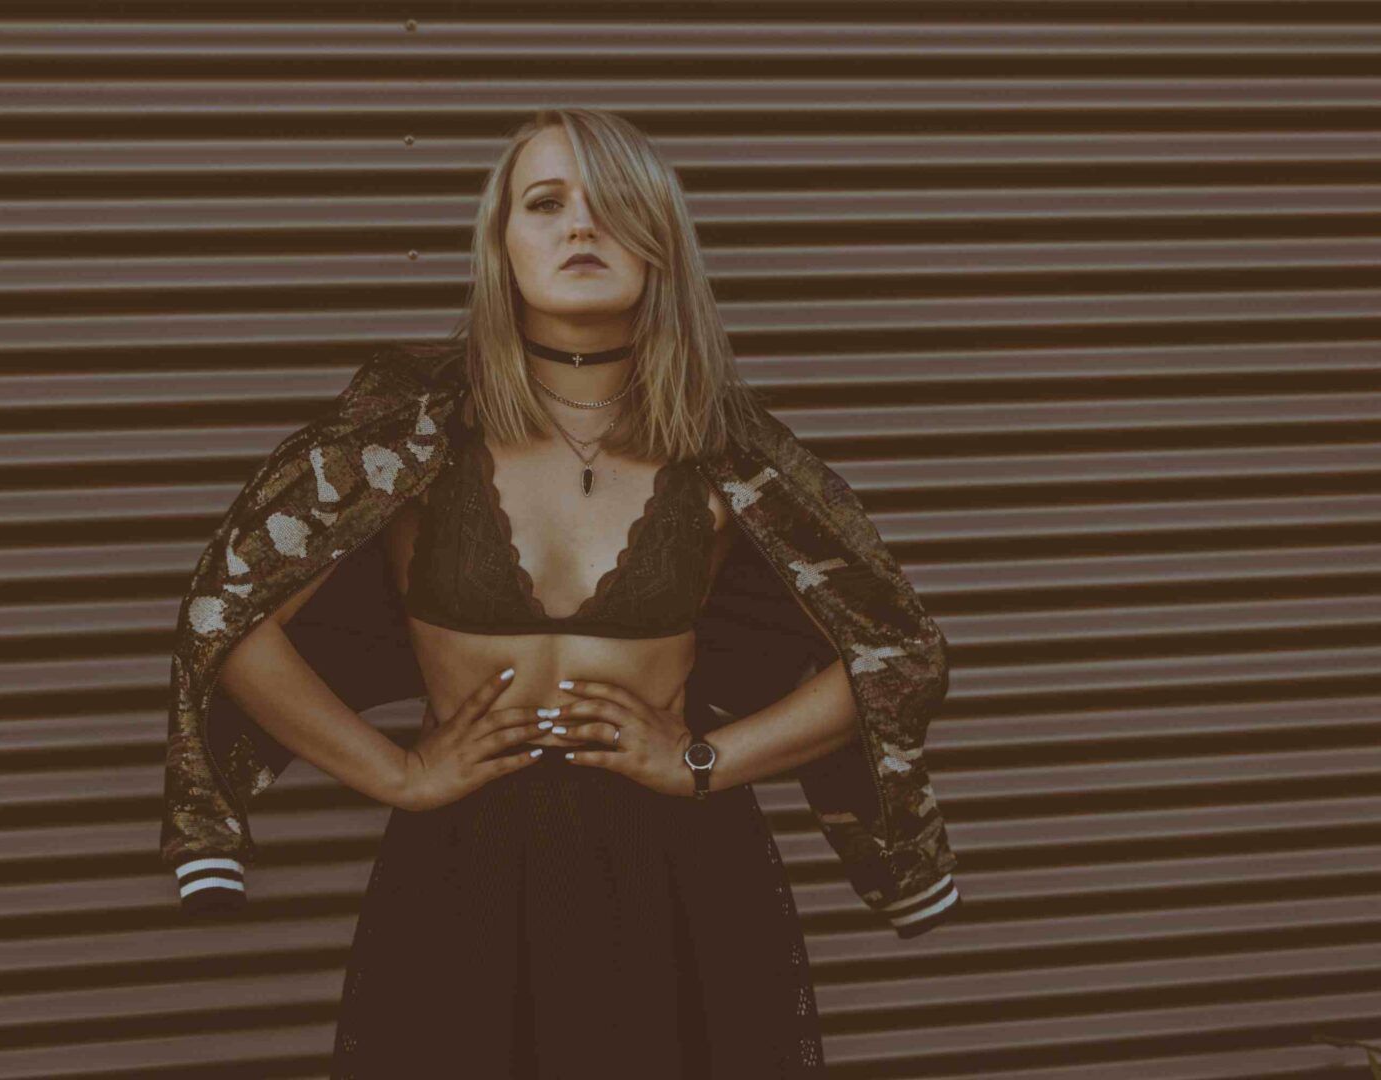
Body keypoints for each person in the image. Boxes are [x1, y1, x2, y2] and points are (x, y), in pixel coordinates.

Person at [159, 107, 960, 1080]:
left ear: (661, 242)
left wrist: (703, 761)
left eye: (613, 204)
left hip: (683, 877)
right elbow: (227, 616)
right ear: (500, 242)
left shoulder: (723, 447)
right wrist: (398, 775)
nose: (581, 225)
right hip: (462, 868)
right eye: (545, 203)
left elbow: (895, 650)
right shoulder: (408, 432)